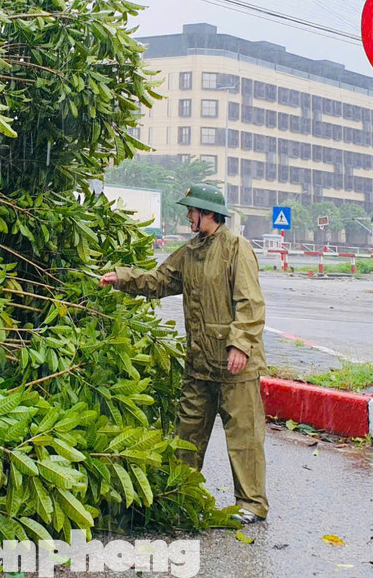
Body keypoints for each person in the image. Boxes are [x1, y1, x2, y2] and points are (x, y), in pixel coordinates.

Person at [99, 183, 268, 525]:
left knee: (243, 435)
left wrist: (241, 343)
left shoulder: (236, 248)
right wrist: (122, 277)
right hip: (200, 362)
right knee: (188, 434)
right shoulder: (191, 252)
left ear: (208, 214)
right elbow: (160, 280)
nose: (188, 215)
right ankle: (180, 494)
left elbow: (249, 301)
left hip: (235, 363)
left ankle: (252, 504)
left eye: (192, 210)